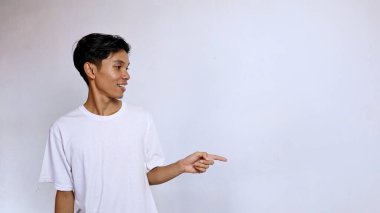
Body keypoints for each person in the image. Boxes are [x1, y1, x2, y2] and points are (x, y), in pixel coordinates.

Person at [39, 33, 227, 213]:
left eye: (127, 68)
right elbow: (65, 193)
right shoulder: (63, 129)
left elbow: (147, 176)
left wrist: (181, 166)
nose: (126, 75)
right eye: (118, 67)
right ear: (91, 70)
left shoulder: (140, 119)